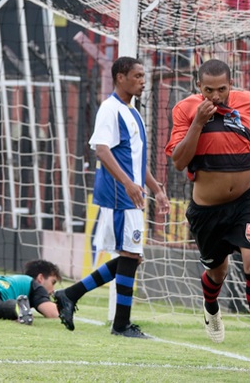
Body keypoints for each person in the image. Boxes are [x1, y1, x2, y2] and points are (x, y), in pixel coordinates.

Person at [165, 59, 250, 369]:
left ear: (232, 84)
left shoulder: (248, 102)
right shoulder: (185, 110)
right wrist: (198, 123)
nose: (216, 96)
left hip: (246, 202)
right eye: (209, 90)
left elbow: (240, 136)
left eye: (222, 89)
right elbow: (178, 161)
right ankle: (211, 307)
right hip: (207, 212)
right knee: (218, 273)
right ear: (198, 88)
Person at [54, 57, 169, 339]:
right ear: (120, 77)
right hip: (120, 194)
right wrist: (129, 184)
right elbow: (102, 150)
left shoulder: (132, 112)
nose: (143, 80)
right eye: (137, 75)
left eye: (144, 75)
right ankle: (120, 325)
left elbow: (136, 160)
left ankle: (70, 294)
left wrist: (156, 188)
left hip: (132, 193)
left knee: (132, 257)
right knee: (131, 254)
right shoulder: (109, 109)